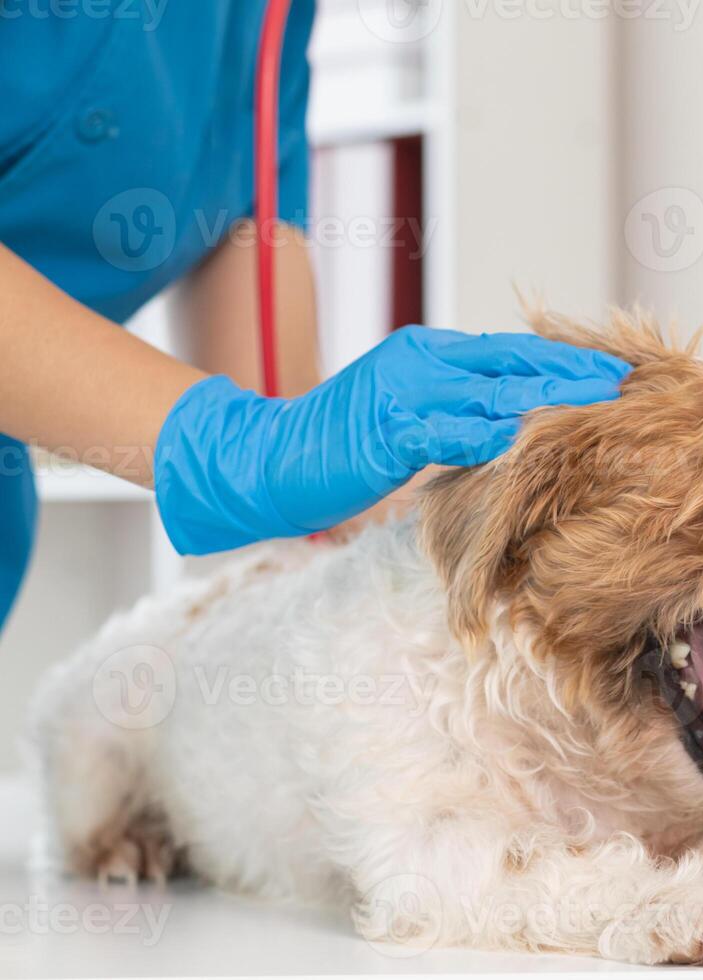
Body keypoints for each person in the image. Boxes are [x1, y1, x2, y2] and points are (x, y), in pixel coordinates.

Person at [0, 2, 631, 634]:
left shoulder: (269, 19)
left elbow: (288, 409)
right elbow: (267, 446)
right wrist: (244, 445)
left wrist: (485, 504)